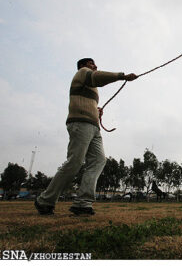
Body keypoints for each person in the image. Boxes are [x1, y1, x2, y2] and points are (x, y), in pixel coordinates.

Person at [34, 58, 137, 216]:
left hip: (93, 127)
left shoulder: (90, 85)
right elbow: (97, 78)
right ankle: (45, 200)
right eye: (91, 63)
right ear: (82, 66)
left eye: (94, 64)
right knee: (75, 162)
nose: (95, 66)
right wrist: (121, 76)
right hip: (81, 124)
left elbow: (85, 100)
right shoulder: (83, 73)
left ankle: (83, 203)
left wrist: (96, 111)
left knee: (99, 160)